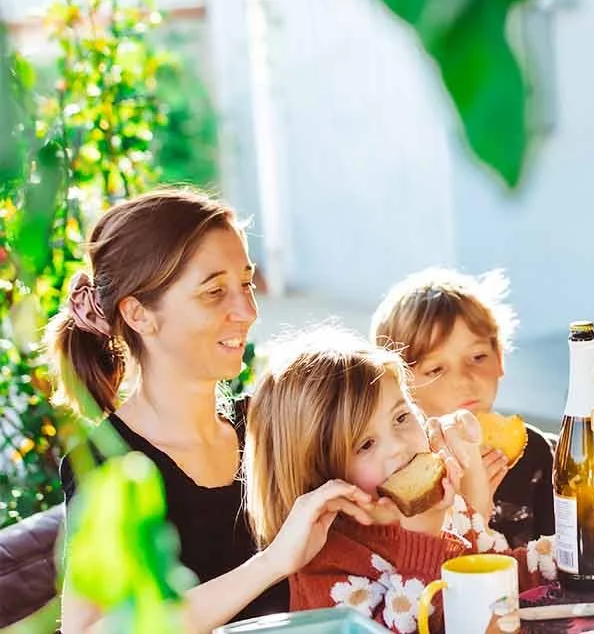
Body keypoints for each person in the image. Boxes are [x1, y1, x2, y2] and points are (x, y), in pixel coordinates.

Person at [45, 189, 372, 634]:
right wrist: (272, 562)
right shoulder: (108, 466)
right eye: (214, 291)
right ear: (140, 315)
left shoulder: (263, 424)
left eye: (246, 284)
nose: (247, 311)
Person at [243, 329, 535, 622]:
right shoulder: (327, 565)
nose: (398, 447)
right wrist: (422, 537)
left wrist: (558, 556)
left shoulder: (445, 505)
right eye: (366, 444)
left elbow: (502, 573)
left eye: (401, 417)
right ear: (319, 475)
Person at [372, 267, 556, 550]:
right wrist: (466, 510)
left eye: (478, 356)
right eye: (435, 369)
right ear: (400, 387)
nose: (463, 380)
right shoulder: (400, 472)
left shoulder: (537, 453)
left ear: (500, 359)